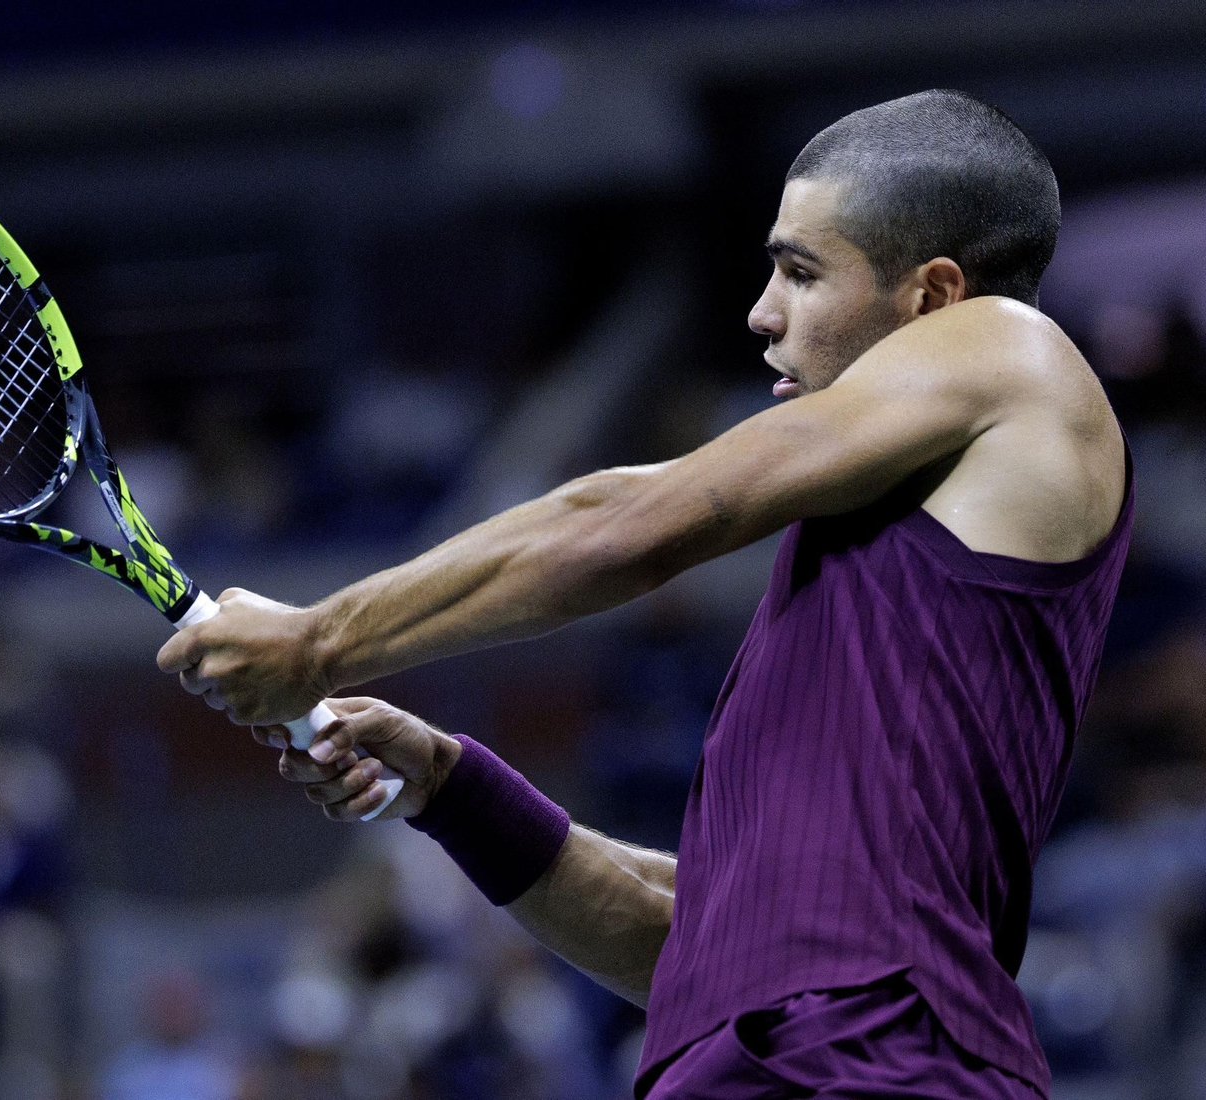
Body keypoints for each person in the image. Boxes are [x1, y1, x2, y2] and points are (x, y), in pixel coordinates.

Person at [157, 90, 1131, 1099]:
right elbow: (700, 954)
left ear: (934, 297)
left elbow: (629, 522)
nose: (761, 311)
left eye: (801, 271)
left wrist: (318, 639)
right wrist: (451, 787)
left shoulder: (1015, 351)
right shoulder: (865, 593)